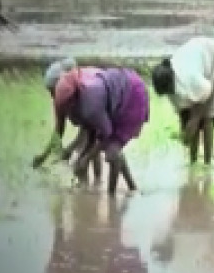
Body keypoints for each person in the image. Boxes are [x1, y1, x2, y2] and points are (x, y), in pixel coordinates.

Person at [53, 64, 149, 194]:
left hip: (132, 95)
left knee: (112, 153)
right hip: (118, 96)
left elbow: (106, 134)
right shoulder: (82, 102)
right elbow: (91, 134)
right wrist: (82, 157)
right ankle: (132, 188)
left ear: (72, 101)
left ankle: (111, 197)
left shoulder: (90, 105)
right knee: (111, 150)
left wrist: (86, 159)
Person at [151, 37, 214, 167]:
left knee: (208, 118)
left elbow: (208, 90)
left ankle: (207, 162)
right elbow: (182, 112)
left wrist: (195, 118)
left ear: (171, 81)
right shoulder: (170, 88)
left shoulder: (189, 77)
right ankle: (193, 160)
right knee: (192, 123)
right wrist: (185, 130)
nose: (169, 94)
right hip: (198, 57)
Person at [31, 59, 103, 186]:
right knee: (85, 153)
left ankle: (92, 185)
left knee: (85, 154)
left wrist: (69, 150)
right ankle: (90, 187)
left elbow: (88, 132)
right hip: (92, 120)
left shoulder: (83, 92)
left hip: (103, 106)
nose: (52, 96)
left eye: (53, 90)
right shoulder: (60, 101)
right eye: (50, 92)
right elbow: (58, 132)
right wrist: (44, 156)